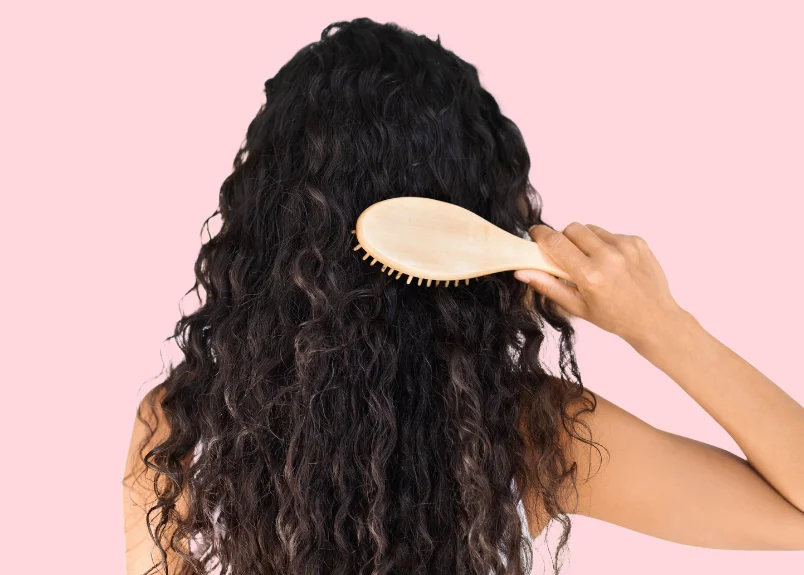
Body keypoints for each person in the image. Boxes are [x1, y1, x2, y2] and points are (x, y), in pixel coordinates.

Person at [122, 17, 804, 575]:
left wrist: (663, 325)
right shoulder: (526, 433)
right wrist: (661, 325)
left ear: (268, 225)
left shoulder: (179, 434)